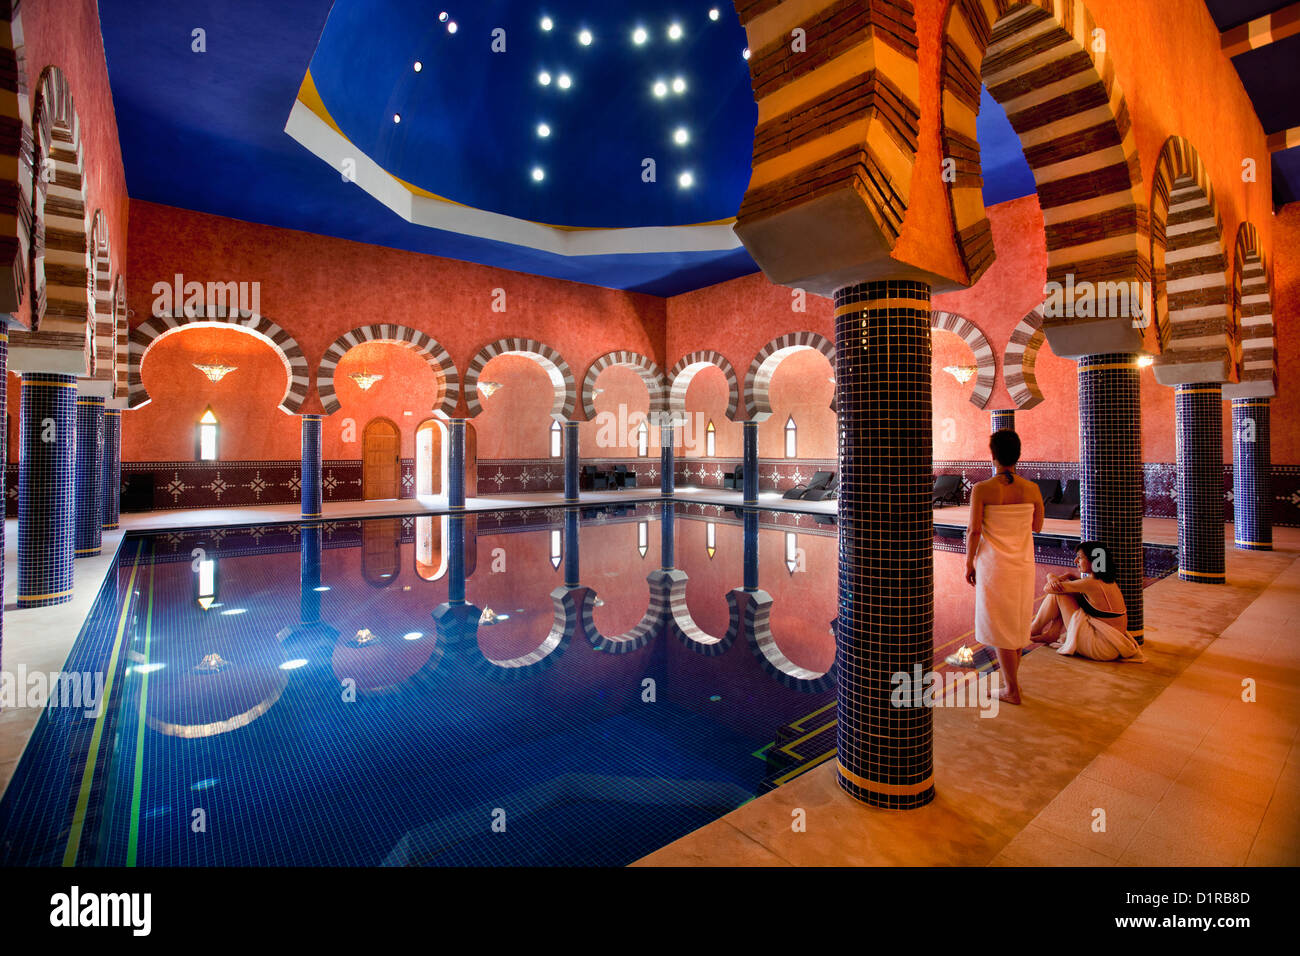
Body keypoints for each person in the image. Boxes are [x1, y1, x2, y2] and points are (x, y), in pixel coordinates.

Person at [965, 430, 1044, 704]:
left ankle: (1012, 689)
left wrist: (969, 563)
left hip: (994, 566)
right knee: (1017, 622)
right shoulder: (1032, 489)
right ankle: (1011, 684)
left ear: (993, 455)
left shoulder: (982, 489)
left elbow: (974, 531)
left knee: (999, 626)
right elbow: (1037, 526)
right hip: (1022, 564)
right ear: (1018, 455)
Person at [1030, 541, 1146, 662]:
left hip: (1101, 647)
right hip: (1112, 645)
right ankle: (1052, 633)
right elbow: (1075, 587)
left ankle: (1036, 628)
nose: (1075, 561)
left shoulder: (1090, 583)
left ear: (1094, 561)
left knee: (1060, 594)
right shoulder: (1104, 580)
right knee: (1066, 593)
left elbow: (1048, 589)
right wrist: (1068, 575)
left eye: (1080, 558)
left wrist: (1051, 576)